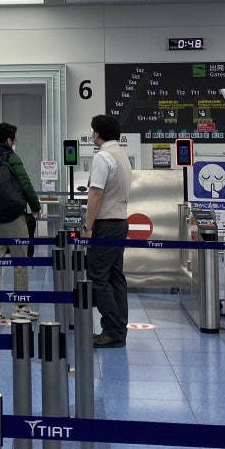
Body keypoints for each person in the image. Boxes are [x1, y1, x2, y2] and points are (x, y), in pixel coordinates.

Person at [0, 122, 42, 326]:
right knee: (20, 263)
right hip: (13, 218)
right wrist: (35, 206)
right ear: (9, 140)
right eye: (14, 139)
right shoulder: (11, 157)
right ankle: (20, 308)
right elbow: (25, 183)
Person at [83, 114, 132, 348]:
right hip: (121, 222)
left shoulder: (102, 157)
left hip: (105, 224)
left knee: (97, 277)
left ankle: (112, 330)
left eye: (93, 130)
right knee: (115, 277)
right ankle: (119, 329)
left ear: (97, 133)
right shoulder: (122, 155)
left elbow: (96, 193)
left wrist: (87, 226)